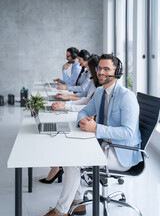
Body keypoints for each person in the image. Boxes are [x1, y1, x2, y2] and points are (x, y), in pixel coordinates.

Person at [43, 54, 143, 216]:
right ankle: (78, 203)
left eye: (106, 69)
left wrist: (96, 128)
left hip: (121, 153)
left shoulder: (127, 97)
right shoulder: (99, 92)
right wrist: (84, 121)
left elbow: (128, 132)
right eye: (99, 68)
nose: (101, 72)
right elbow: (84, 111)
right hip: (103, 144)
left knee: (73, 161)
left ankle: (60, 211)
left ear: (117, 71)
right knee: (67, 152)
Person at [39, 55, 100, 184]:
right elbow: (85, 100)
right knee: (59, 131)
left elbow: (86, 103)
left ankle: (58, 166)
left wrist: (66, 102)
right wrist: (66, 102)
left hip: (91, 125)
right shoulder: (94, 83)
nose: (87, 71)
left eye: (89, 68)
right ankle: (57, 165)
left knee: (63, 134)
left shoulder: (99, 87)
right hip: (85, 119)